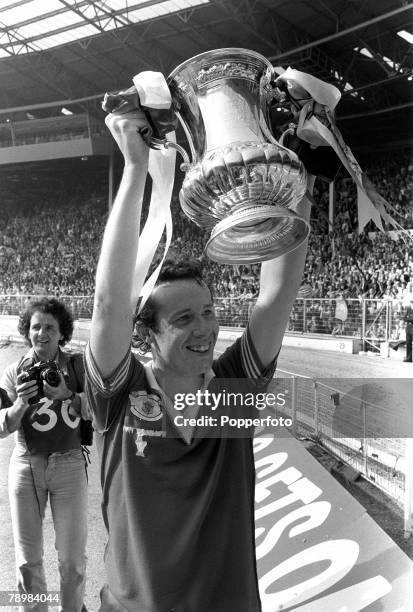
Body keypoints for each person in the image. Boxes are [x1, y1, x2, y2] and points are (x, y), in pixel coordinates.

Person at [84, 111, 314, 611]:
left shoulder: (235, 391)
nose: (206, 328)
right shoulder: (118, 397)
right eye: (184, 318)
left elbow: (275, 295)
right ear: (144, 336)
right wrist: (134, 169)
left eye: (209, 312)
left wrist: (297, 177)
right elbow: (109, 304)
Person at [0, 297, 89, 612]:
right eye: (36, 326)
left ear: (61, 332)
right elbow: (2, 427)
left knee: (73, 562)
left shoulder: (78, 365)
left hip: (70, 463)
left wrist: (67, 394)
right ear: (27, 331)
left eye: (50, 327)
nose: (42, 333)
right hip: (26, 465)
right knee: (28, 562)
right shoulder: (13, 372)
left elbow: (98, 412)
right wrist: (21, 403)